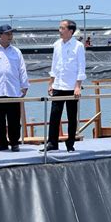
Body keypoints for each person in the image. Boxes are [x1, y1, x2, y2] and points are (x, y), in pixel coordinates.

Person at [41, 20, 86, 153]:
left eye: (62, 28)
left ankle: (70, 143)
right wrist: (51, 83)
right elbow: (54, 66)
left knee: (72, 117)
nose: (59, 30)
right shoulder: (57, 45)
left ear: (70, 31)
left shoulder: (78, 46)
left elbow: (81, 67)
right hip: (58, 85)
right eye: (59, 28)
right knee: (54, 115)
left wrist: (78, 86)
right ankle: (52, 143)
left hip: (72, 87)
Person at [0, 24, 29, 152]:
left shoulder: (16, 51)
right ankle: (2, 143)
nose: (10, 36)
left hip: (13, 90)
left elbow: (22, 69)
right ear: (0, 36)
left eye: (11, 34)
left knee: (14, 119)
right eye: (7, 34)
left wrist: (24, 85)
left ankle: (15, 142)